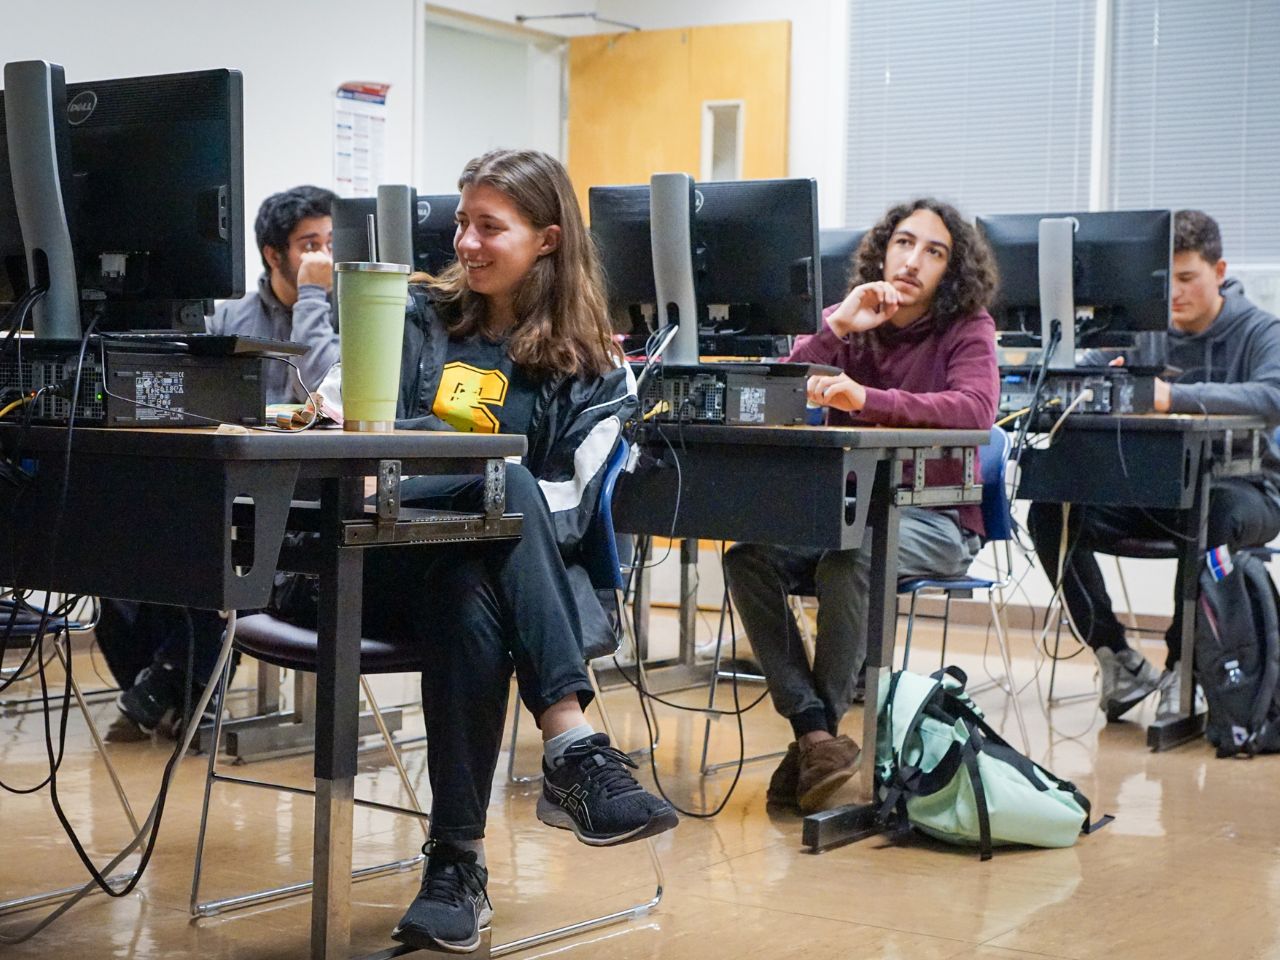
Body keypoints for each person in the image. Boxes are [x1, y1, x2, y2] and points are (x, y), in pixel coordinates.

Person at [318, 149, 677, 953]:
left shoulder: (597, 364)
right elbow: (350, 439)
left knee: (470, 581)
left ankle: (456, 868)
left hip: (496, 585)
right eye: (461, 223)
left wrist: (444, 472)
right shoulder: (410, 316)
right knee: (504, 481)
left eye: (490, 227)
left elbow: (574, 509)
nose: (466, 243)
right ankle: (571, 746)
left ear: (548, 239)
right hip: (376, 565)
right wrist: (467, 473)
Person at [722, 198, 999, 814]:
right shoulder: (856, 320)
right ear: (883, 251)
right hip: (850, 511)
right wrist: (839, 327)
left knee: (849, 559)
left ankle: (814, 740)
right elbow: (778, 392)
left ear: (951, 271)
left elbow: (975, 409)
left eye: (934, 251)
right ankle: (817, 736)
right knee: (747, 557)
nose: (913, 260)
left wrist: (868, 398)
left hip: (936, 519)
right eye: (904, 243)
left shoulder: (968, 326)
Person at [1027, 209, 1280, 722]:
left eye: (1188, 278)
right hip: (1153, 492)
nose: (1176, 294)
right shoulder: (1144, 331)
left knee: (1208, 512)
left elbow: (1272, 395)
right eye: (1168, 282)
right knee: (1051, 513)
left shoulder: (1261, 330)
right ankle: (1117, 657)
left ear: (1220, 271)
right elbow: (1072, 377)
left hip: (1248, 493)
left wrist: (1171, 396)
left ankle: (1183, 669)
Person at [207, 184, 338, 403]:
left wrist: (312, 294)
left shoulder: (351, 319)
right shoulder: (227, 318)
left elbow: (321, 392)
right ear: (273, 256)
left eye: (331, 244)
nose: (326, 258)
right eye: (310, 246)